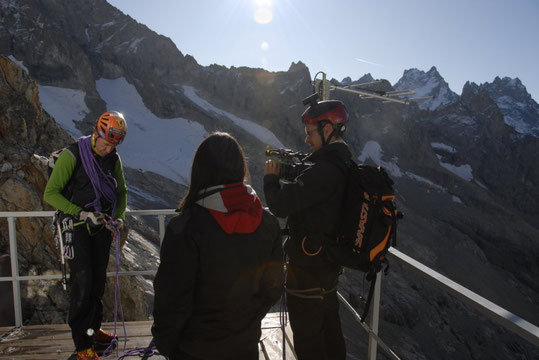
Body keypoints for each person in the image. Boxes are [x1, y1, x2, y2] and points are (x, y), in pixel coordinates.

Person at [152, 132, 284, 360]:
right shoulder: (268, 223)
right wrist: (248, 322)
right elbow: (273, 287)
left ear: (200, 171)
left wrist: (168, 346)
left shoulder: (185, 228)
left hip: (194, 350)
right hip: (245, 346)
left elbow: (172, 300)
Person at [264, 100, 351, 360]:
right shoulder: (343, 163)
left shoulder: (325, 170)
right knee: (330, 332)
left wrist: (270, 179)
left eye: (310, 132)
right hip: (327, 266)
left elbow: (280, 205)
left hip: (308, 270)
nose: (306, 138)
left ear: (328, 130)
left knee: (308, 339)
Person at [44, 111, 128, 360]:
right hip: (76, 226)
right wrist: (80, 213)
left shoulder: (113, 158)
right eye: (105, 143)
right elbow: (51, 193)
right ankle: (82, 344)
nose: (107, 149)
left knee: (98, 282)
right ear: (97, 133)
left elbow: (121, 191)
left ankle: (93, 329)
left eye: (112, 144)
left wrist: (120, 216)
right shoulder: (73, 154)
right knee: (82, 283)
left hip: (101, 226)